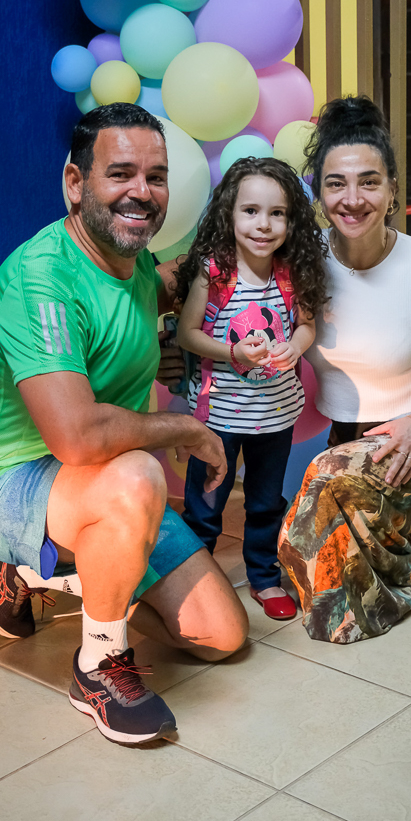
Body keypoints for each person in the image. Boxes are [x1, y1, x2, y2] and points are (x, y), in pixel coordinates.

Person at [0, 103, 248, 745]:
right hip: (6, 482)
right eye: (121, 173)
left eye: (156, 177)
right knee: (139, 475)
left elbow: (158, 288)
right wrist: (188, 430)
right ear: (75, 183)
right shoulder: (42, 279)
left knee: (221, 635)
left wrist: (252, 250)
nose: (143, 191)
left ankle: (80, 566)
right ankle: (99, 663)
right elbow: (78, 437)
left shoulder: (131, 260)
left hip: (94, 481)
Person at [277, 96, 411, 644]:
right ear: (319, 193)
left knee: (320, 489)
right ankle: (393, 564)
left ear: (392, 190)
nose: (353, 198)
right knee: (339, 532)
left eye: (369, 182)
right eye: (336, 183)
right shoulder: (303, 260)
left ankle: (360, 596)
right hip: (347, 439)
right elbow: (221, 280)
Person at [173, 157, 328, 620]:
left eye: (277, 213)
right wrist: (233, 352)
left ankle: (263, 576)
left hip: (276, 416)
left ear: (291, 220)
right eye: (251, 211)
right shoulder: (214, 273)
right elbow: (188, 335)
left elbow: (307, 326)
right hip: (219, 418)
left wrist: (295, 347)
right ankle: (192, 580)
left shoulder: (291, 272)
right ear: (229, 213)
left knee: (265, 502)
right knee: (205, 505)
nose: (264, 224)